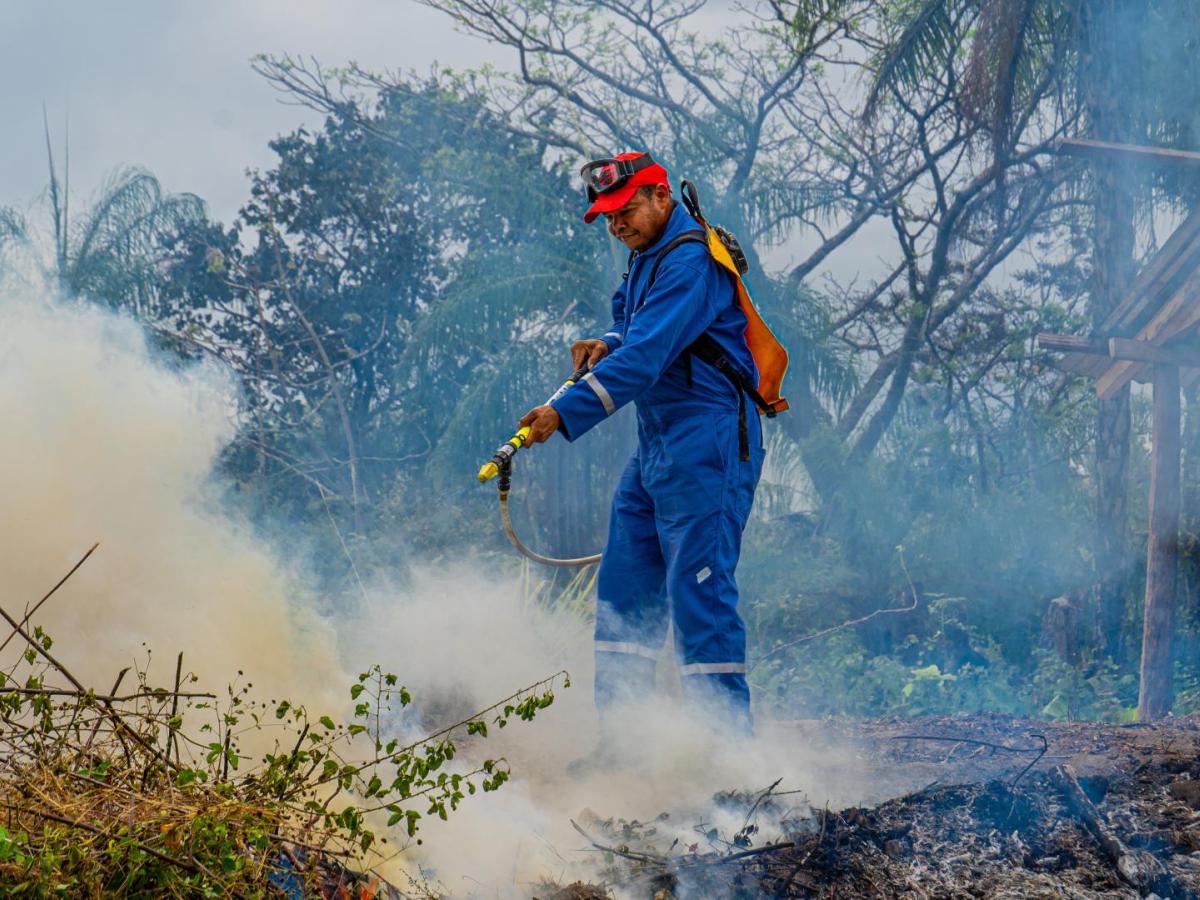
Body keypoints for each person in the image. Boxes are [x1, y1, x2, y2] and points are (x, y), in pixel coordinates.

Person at [519, 151, 765, 745]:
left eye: (624, 210)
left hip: (707, 442)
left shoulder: (689, 262)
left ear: (660, 197)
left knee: (699, 594)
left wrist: (563, 412)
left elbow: (648, 356)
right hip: (658, 445)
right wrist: (605, 342)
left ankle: (730, 761)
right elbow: (632, 329)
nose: (616, 225)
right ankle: (624, 750)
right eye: (605, 216)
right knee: (625, 589)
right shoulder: (645, 258)